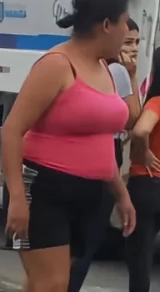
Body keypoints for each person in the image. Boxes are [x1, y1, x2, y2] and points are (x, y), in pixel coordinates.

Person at [1, 0, 136, 292]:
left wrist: (121, 194)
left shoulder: (104, 67)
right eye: (124, 21)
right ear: (106, 25)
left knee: (45, 284)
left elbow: (101, 139)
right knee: (53, 284)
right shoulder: (57, 65)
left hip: (88, 194)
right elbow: (12, 129)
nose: (127, 30)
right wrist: (18, 198)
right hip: (42, 190)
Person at [67, 17, 142, 292]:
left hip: (75, 158)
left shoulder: (85, 67)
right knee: (87, 241)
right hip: (103, 155)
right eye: (128, 42)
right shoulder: (117, 72)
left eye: (137, 42)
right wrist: (132, 74)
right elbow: (133, 119)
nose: (133, 49)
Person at [126, 46, 160, 292]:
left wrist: (145, 152)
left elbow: (140, 130)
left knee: (140, 257)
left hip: (147, 183)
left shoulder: (157, 102)